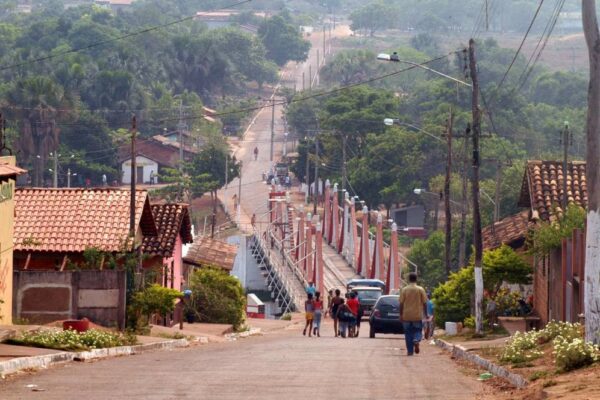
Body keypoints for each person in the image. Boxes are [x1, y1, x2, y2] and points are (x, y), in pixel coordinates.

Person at [399, 272, 428, 356]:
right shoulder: (420, 289)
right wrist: (425, 314)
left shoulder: (404, 290)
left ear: (409, 279)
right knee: (418, 330)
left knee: (408, 333)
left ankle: (410, 351)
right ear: (416, 279)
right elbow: (425, 303)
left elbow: (401, 303)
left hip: (406, 315)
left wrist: (400, 315)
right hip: (417, 315)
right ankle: (416, 339)